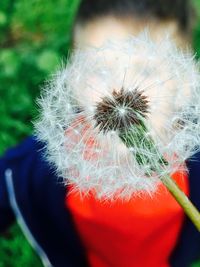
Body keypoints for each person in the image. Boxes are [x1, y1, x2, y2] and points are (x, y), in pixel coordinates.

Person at [0, 1, 199, 266]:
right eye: (98, 71)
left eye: (147, 71)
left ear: (188, 83)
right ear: (72, 80)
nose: (119, 88)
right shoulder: (30, 170)